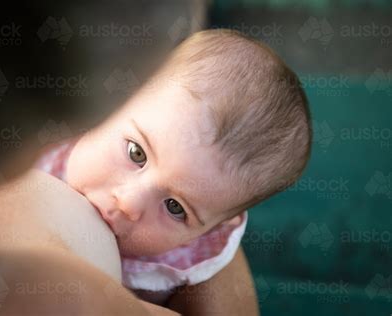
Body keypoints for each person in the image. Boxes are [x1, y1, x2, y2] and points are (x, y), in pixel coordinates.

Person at [35, 29, 312, 305]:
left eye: (175, 207)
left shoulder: (175, 272)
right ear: (119, 101)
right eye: (136, 153)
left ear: (212, 230)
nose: (129, 203)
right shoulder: (37, 141)